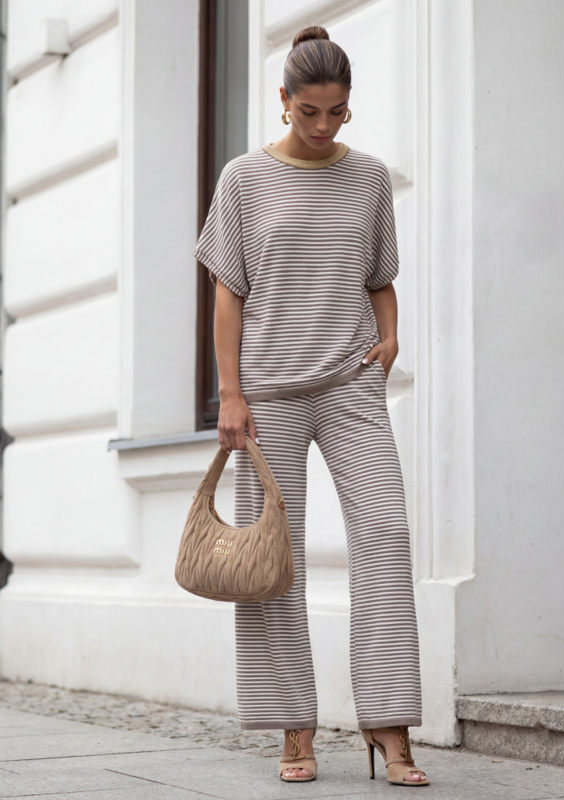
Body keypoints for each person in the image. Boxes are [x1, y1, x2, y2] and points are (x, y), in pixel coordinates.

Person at [193, 25, 429, 787]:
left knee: (386, 533)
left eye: (337, 112)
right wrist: (231, 394)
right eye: (309, 113)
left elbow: (378, 276)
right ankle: (293, 724)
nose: (324, 126)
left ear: (348, 105)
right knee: (273, 559)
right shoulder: (243, 179)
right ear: (284, 101)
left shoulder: (370, 178)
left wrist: (389, 338)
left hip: (350, 382)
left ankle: (389, 725)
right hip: (266, 395)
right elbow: (228, 293)